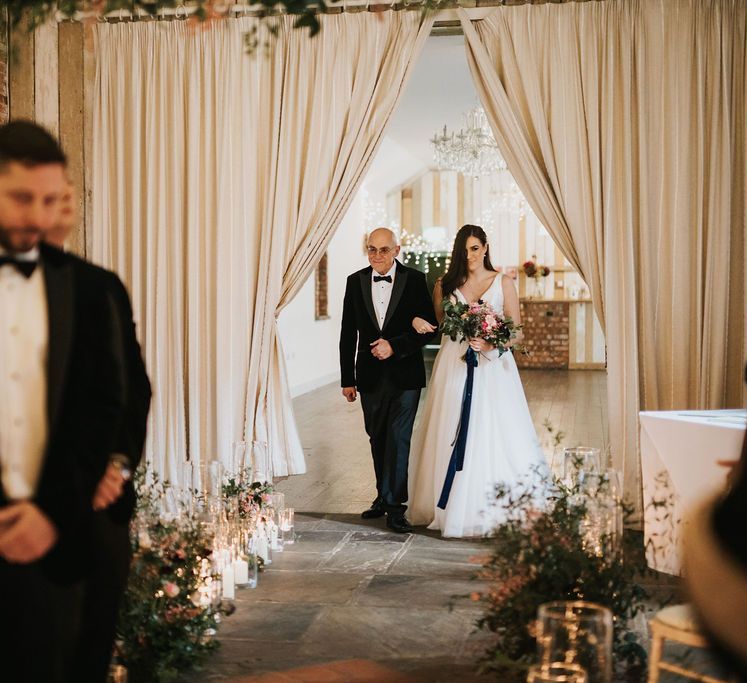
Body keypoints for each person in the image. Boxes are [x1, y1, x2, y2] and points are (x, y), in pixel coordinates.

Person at [0, 120, 128, 682]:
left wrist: (52, 510)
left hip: (66, 524)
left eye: (49, 200)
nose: (36, 216)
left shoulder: (92, 288)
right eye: (21, 198)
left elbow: (105, 404)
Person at [46, 179, 152, 681]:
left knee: (89, 647)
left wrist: (118, 467)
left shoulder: (100, 287)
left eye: (57, 200)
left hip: (98, 503)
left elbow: (134, 390)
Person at [407, 224, 547, 537]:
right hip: (453, 364)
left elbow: (518, 330)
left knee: (492, 429)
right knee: (450, 426)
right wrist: (421, 322)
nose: (470, 255)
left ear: (485, 247)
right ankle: (448, 503)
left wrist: (490, 342)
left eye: (475, 248)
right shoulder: (445, 283)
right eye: (464, 249)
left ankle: (489, 503)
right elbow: (441, 326)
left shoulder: (503, 282)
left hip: (493, 367)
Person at [339, 227, 437, 533]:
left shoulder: (416, 279)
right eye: (371, 249)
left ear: (397, 249)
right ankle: (384, 495)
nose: (377, 256)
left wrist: (394, 345)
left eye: (383, 250)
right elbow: (347, 334)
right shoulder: (354, 282)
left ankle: (396, 507)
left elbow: (429, 330)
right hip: (368, 376)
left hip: (405, 375)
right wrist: (347, 378)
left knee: (398, 439)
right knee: (377, 437)